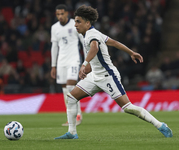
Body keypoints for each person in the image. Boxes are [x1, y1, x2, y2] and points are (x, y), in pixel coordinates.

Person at [54, 5, 173, 139]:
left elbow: (95, 48)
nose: (75, 24)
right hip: (95, 76)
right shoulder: (93, 33)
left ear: (87, 23)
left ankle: (160, 125)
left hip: (108, 76)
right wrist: (131, 52)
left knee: (128, 107)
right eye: (75, 21)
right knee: (71, 98)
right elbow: (115, 43)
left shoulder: (91, 35)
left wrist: (84, 64)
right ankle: (72, 133)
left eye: (78, 21)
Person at [50, 4, 83, 126]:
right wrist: (53, 65)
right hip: (61, 62)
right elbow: (54, 47)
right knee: (65, 90)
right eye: (58, 14)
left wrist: (86, 61)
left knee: (70, 87)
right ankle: (70, 117)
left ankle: (78, 115)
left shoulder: (75, 24)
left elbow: (83, 42)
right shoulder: (54, 28)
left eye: (62, 14)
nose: (60, 16)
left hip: (74, 60)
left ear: (67, 13)